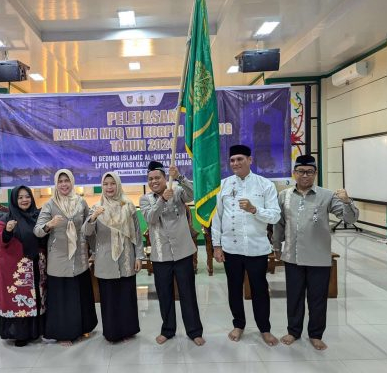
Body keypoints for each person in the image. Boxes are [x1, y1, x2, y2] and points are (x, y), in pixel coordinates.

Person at [273, 154, 359, 350]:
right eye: (301, 172)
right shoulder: (284, 196)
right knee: (294, 297)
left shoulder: (327, 195)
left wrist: (347, 202)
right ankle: (293, 331)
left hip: (319, 257)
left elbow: (350, 219)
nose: (305, 176)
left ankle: (316, 334)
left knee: (317, 298)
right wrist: (277, 247)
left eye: (310, 172)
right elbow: (278, 224)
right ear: (294, 173)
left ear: (315, 174)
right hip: (292, 256)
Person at [211, 144, 281, 346]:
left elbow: (275, 216)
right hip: (231, 248)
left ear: (250, 160)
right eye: (232, 160)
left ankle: (265, 329)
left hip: (256, 248)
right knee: (234, 289)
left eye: (240, 159)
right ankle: (238, 324)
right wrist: (217, 246)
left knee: (260, 289)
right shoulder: (223, 185)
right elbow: (217, 218)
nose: (235, 163)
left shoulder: (264, 185)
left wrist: (254, 209)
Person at [139, 161, 205, 346]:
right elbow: (151, 218)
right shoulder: (145, 200)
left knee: (188, 294)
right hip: (161, 256)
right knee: (165, 295)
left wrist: (180, 178)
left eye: (157, 178)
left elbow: (194, 193)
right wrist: (162, 200)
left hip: (183, 252)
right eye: (150, 179)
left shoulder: (177, 191)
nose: (154, 181)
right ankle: (168, 330)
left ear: (164, 177)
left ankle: (194, 331)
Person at [34, 169, 97, 346]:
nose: (63, 184)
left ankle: (84, 327)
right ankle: (63, 333)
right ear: (56, 183)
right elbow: (37, 231)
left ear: (72, 182)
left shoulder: (81, 202)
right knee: (63, 298)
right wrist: (49, 225)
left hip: (79, 257)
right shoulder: (50, 204)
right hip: (59, 257)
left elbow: (87, 230)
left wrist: (93, 250)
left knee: (80, 294)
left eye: (66, 180)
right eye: (60, 181)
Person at [82, 171, 143, 342]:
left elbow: (136, 233)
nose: (109, 187)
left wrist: (139, 256)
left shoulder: (128, 205)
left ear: (118, 185)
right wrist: (93, 218)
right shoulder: (96, 207)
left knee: (126, 295)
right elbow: (86, 233)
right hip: (105, 259)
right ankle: (112, 333)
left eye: (112, 183)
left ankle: (128, 330)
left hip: (126, 257)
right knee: (109, 297)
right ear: (102, 186)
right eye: (106, 184)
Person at [0, 185, 47, 347]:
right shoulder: (7, 218)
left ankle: (36, 331)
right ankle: (20, 334)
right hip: (14, 270)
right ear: (14, 200)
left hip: (36, 266)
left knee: (36, 298)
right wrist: (8, 231)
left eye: (27, 196)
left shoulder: (38, 216)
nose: (24, 200)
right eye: (20, 197)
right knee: (20, 301)